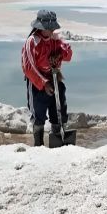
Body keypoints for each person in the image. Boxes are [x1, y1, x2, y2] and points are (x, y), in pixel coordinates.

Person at [21, 9, 73, 147]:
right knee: (38, 116)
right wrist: (44, 84)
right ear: (40, 27)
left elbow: (68, 56)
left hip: (55, 79)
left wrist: (61, 45)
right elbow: (28, 68)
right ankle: (38, 145)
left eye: (52, 28)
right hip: (37, 84)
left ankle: (58, 142)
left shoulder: (55, 40)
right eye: (49, 28)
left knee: (59, 111)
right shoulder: (32, 42)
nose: (51, 31)